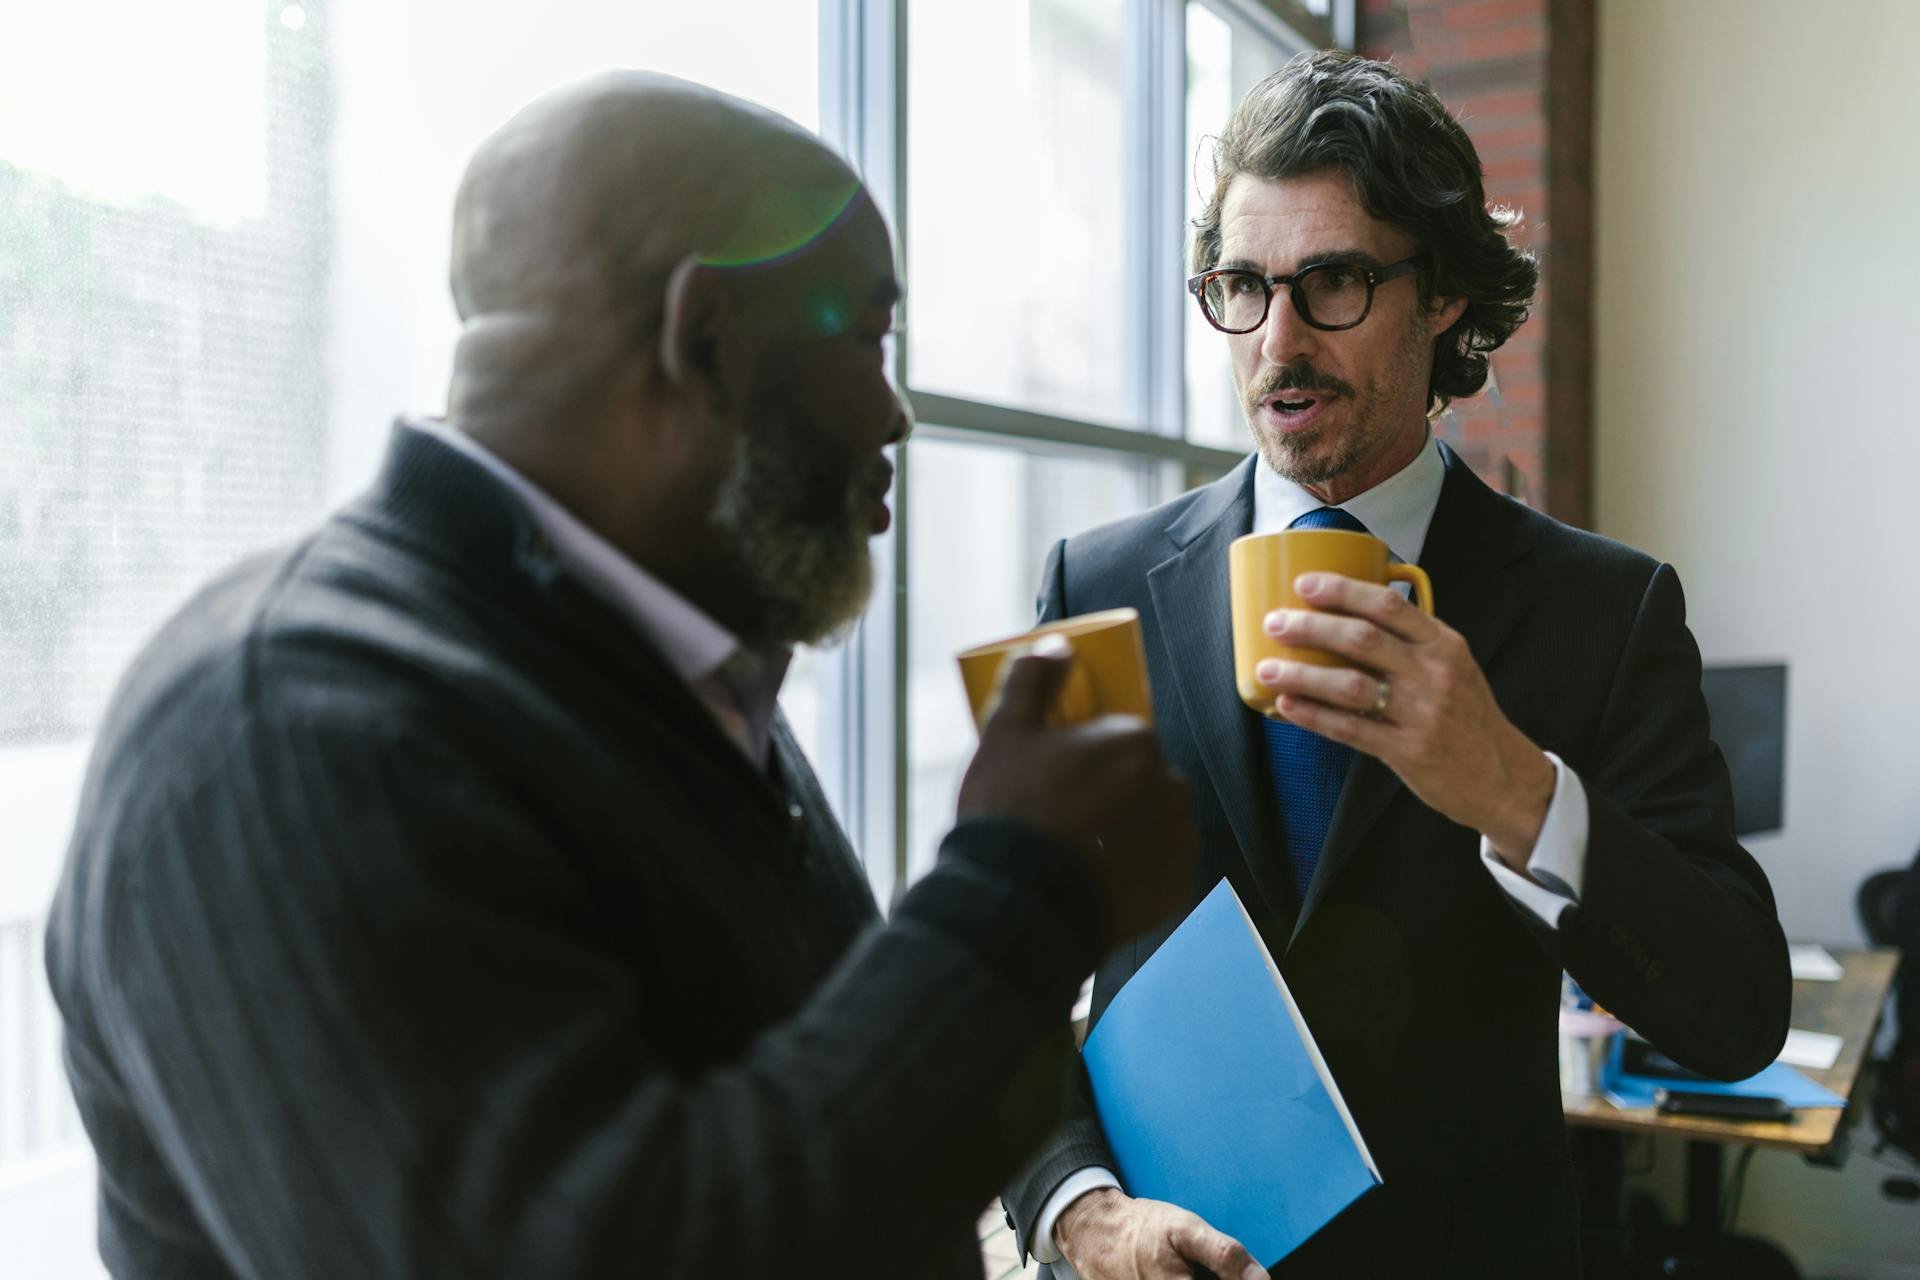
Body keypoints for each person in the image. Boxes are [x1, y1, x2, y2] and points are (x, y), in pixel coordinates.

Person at [43, 74, 1215, 1280]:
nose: (896, 413)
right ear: (703, 339)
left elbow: (817, 1159)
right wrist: (1018, 888)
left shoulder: (658, 680)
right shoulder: (280, 739)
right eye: (867, 339)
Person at [1004, 51, 1792, 1279]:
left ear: (1441, 297)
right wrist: (1078, 1208)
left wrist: (1517, 788)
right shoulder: (1093, 588)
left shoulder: (1606, 609)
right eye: (1242, 287)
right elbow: (999, 964)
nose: (1278, 342)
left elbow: (1737, 1012)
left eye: (1332, 283)